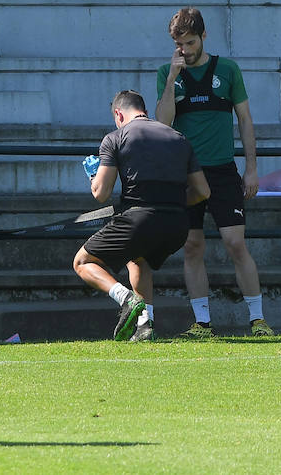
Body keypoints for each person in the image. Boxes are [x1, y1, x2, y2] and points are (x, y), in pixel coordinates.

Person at [153, 7, 271, 338]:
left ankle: (258, 320)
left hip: (222, 171)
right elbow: (162, 123)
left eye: (190, 43)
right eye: (179, 45)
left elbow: (245, 120)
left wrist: (251, 169)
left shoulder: (228, 70)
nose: (185, 51)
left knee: (235, 243)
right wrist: (173, 80)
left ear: (204, 37)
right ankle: (202, 323)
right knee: (192, 246)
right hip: (186, 172)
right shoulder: (167, 72)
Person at [74, 91, 209, 342]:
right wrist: (170, 203)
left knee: (82, 262)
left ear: (118, 113)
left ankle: (127, 299)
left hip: (139, 220)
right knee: (137, 260)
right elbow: (203, 191)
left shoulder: (115, 137)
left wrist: (94, 178)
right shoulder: (178, 137)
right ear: (144, 110)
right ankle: (145, 326)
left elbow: (101, 194)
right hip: (178, 224)